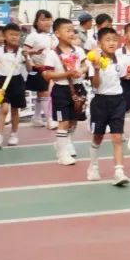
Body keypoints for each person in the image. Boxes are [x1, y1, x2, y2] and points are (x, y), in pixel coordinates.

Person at [85, 27, 130, 186]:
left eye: (114, 40)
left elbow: (124, 78)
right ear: (99, 43)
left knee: (117, 137)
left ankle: (119, 171)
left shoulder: (120, 60)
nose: (112, 43)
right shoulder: (93, 61)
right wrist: (96, 69)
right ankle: (93, 165)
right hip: (100, 102)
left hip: (117, 101)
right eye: (108, 40)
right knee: (98, 136)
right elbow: (95, 85)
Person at [41, 18, 88, 165]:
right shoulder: (52, 54)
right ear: (57, 33)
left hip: (78, 88)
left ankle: (64, 143)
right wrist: (66, 74)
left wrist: (81, 70)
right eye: (67, 30)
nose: (72, 33)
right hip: (61, 90)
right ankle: (62, 154)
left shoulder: (78, 50)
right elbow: (47, 75)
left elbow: (85, 65)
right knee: (63, 122)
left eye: (72, 30)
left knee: (74, 121)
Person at [0, 24, 27, 149]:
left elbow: (30, 68)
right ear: (4, 36)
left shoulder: (22, 51)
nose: (14, 37)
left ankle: (14, 134)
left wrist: (27, 58)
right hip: (3, 82)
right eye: (11, 34)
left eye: (17, 35)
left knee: (15, 110)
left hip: (17, 81)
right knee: (4, 109)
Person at [24, 9, 56, 130]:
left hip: (49, 69)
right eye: (43, 20)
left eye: (48, 19)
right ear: (36, 22)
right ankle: (49, 119)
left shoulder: (52, 36)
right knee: (44, 92)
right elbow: (24, 51)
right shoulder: (32, 36)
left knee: (41, 93)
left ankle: (36, 118)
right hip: (36, 68)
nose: (46, 22)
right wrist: (33, 57)